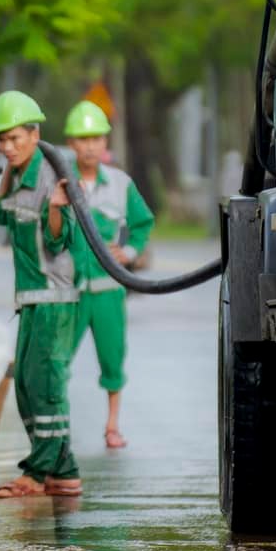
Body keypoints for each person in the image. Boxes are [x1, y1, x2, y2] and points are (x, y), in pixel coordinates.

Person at [0, 89, 84, 499]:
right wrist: (7, 169)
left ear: (35, 133)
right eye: (2, 140)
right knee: (27, 383)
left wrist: (59, 206)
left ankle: (38, 472)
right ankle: (64, 471)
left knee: (45, 385)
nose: (8, 147)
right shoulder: (19, 172)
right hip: (31, 299)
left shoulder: (50, 175)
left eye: (16, 139)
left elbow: (61, 242)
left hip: (53, 298)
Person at [62, 100, 154, 449]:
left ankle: (112, 425)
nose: (89, 146)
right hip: (69, 293)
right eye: (82, 139)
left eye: (96, 138)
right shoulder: (62, 182)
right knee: (59, 362)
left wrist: (129, 252)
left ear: (105, 143)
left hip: (108, 291)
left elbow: (143, 221)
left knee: (112, 358)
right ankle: (59, 427)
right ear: (71, 143)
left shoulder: (119, 183)